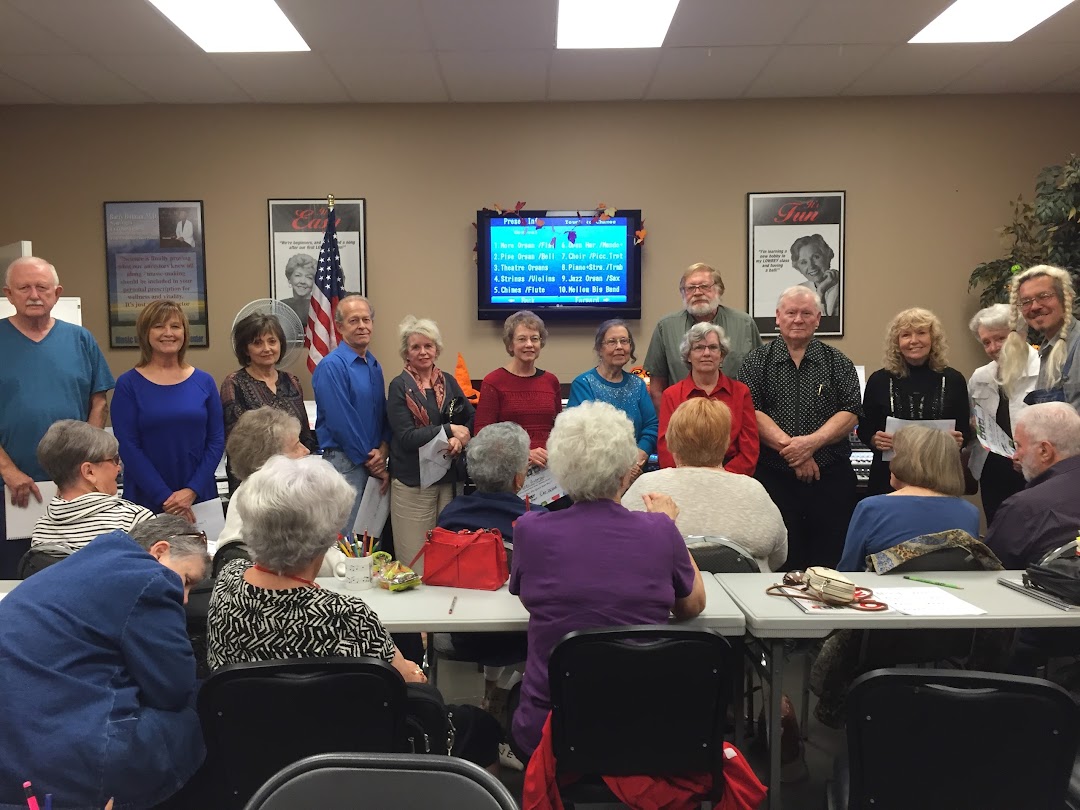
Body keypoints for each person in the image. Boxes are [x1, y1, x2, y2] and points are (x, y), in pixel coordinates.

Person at [206, 454, 500, 770]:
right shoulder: (348, 615)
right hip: (352, 762)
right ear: (332, 537)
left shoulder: (227, 581)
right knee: (479, 726)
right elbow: (407, 681)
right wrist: (415, 673)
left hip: (254, 758)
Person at [509, 401, 706, 757]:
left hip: (553, 735)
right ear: (623, 472)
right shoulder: (658, 529)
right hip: (643, 728)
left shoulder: (529, 530)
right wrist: (670, 526)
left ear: (561, 470)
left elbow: (529, 599)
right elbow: (693, 606)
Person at [0, 515, 209, 810]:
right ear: (159, 550)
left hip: (13, 752)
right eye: (187, 581)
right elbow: (173, 689)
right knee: (199, 708)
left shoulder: (86, 561)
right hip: (68, 756)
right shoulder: (149, 578)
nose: (185, 598)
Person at [0, 256, 115, 577]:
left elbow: (98, 403)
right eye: (24, 288)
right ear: (9, 294)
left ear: (57, 292)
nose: (34, 294)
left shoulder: (81, 340)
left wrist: (85, 464)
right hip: (9, 489)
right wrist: (8, 470)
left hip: (73, 486)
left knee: (77, 575)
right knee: (13, 578)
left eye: (42, 287)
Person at [738, 286, 862, 571]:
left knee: (829, 564)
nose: (798, 319)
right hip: (774, 480)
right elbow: (750, 412)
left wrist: (811, 444)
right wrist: (796, 452)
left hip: (830, 480)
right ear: (777, 318)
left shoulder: (838, 362)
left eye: (806, 313)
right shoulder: (756, 362)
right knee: (779, 562)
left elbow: (851, 411)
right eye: (791, 313)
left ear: (818, 318)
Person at [624, 398, 786, 570]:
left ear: (671, 441)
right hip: (742, 594)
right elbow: (780, 555)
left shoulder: (646, 486)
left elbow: (622, 550)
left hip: (667, 594)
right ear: (726, 443)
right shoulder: (754, 491)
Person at [112, 300, 225, 517]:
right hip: (147, 496)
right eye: (159, 326)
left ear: (184, 332)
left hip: (198, 495)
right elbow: (128, 446)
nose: (168, 333)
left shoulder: (204, 381)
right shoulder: (128, 384)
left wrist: (191, 491)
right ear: (146, 333)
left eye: (175, 326)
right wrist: (165, 497)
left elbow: (217, 439)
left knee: (202, 551)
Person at [387, 316, 475, 572]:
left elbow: (469, 416)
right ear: (406, 353)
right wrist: (448, 430)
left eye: (428, 346)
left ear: (437, 349)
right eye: (416, 347)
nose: (423, 352)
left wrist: (460, 437)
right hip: (414, 483)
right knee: (415, 560)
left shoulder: (448, 381)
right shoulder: (399, 386)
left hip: (449, 480)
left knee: (448, 555)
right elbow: (405, 437)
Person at [859, 307, 972, 496]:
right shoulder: (879, 380)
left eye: (921, 333)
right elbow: (864, 428)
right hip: (889, 477)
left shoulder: (954, 380)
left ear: (933, 339)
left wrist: (959, 440)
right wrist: (874, 439)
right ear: (897, 342)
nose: (913, 341)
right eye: (905, 335)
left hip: (940, 476)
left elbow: (965, 431)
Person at [837, 425, 980, 571]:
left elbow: (849, 571)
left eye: (895, 454)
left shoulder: (871, 508)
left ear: (905, 462)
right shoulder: (969, 512)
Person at [24, 420, 152, 576]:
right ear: (89, 472)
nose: (118, 468)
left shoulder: (42, 529)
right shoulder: (134, 519)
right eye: (114, 460)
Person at [311, 294, 391, 531]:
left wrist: (383, 451)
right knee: (348, 542)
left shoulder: (374, 365)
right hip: (346, 462)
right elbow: (341, 422)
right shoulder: (331, 366)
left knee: (369, 538)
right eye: (354, 320)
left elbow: (381, 415)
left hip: (372, 460)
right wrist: (372, 461)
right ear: (339, 326)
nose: (362, 326)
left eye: (366, 320)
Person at [644, 262, 762, 413]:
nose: (698, 292)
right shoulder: (665, 327)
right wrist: (674, 426)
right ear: (682, 293)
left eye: (705, 286)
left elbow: (759, 380)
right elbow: (656, 389)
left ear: (719, 290)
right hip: (683, 422)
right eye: (691, 288)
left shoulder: (744, 324)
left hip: (735, 421)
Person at [219, 311, 317, 492]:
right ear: (245, 349)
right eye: (257, 343)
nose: (267, 348)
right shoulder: (234, 383)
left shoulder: (292, 381)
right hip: (253, 482)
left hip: (293, 481)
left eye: (272, 341)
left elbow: (305, 434)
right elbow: (238, 444)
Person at [213, 406, 313, 576]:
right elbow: (315, 562)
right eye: (296, 446)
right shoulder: (271, 504)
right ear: (270, 460)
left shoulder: (250, 490)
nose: (306, 451)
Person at [983, 402, 1080, 569]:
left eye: (1018, 445)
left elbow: (988, 570)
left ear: (1045, 451)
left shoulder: (1024, 508)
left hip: (1040, 593)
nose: (1015, 456)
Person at [656, 322, 758, 474]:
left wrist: (722, 477)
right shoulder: (671, 395)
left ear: (721, 355)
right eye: (698, 348)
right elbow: (666, 448)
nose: (706, 353)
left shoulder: (741, 392)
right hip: (684, 477)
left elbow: (750, 449)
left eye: (713, 347)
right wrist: (689, 477)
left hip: (730, 477)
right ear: (688, 355)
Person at [967, 303, 1038, 522]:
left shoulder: (1043, 369)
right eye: (986, 342)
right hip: (992, 470)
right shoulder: (980, 377)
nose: (992, 348)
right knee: (997, 531)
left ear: (1021, 335)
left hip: (1033, 470)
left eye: (1000, 338)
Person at [567, 319, 657, 480]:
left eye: (624, 341)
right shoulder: (583, 384)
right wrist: (618, 469)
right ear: (600, 349)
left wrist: (637, 460)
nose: (619, 347)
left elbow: (651, 427)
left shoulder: (638, 385)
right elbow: (580, 436)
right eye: (612, 342)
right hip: (595, 477)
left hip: (634, 474)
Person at [473, 310, 562, 469]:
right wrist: (524, 454)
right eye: (522, 339)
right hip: (510, 471)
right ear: (510, 345)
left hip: (549, 471)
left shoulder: (551, 381)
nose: (529, 344)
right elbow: (482, 436)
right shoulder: (493, 382)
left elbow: (559, 430)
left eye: (534, 339)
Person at [1007, 264, 1080, 410]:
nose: (1034, 307)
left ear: (1067, 299)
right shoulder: (1047, 350)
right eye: (1026, 301)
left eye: (1044, 296)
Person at [789, 234, 839, 317]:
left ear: (828, 256)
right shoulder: (798, 292)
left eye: (816, 257)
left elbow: (826, 325)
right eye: (803, 262)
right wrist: (820, 291)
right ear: (798, 268)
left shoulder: (844, 286)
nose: (811, 266)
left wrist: (820, 292)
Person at [279, 253, 317, 325]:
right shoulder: (280, 306)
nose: (302, 281)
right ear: (289, 279)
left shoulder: (320, 306)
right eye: (298, 275)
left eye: (309, 277)